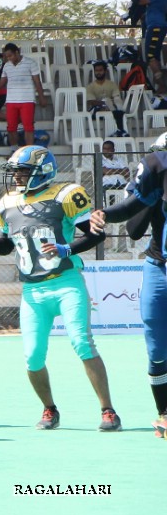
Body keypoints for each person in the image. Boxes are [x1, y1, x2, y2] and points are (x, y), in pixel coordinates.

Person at [0, 146, 120, 432]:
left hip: (66, 283)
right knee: (32, 355)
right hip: (33, 292)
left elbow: (93, 234)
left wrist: (66, 249)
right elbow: (8, 246)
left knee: (82, 343)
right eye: (15, 171)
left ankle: (108, 410)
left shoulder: (66, 194)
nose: (16, 177)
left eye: (23, 171)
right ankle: (49, 409)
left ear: (42, 171)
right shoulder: (6, 203)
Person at [89, 132, 167, 437]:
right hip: (158, 266)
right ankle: (164, 413)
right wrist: (104, 213)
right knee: (157, 347)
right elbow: (133, 229)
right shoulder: (154, 178)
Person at [0, 43, 49, 147]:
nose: (8, 58)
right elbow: (1, 82)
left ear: (17, 52)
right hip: (11, 101)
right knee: (11, 128)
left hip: (27, 100)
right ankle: (14, 151)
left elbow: (37, 82)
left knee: (28, 127)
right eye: (6, 56)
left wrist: (42, 97)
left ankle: (28, 151)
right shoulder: (7, 65)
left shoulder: (30, 63)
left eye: (10, 56)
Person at [86, 62, 128, 137]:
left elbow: (116, 97)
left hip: (110, 108)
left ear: (105, 71)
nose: (98, 72)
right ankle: (120, 130)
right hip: (96, 110)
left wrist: (110, 104)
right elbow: (91, 102)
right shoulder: (90, 87)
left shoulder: (112, 84)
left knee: (116, 103)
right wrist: (104, 103)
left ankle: (120, 131)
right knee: (107, 102)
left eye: (100, 70)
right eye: (96, 70)